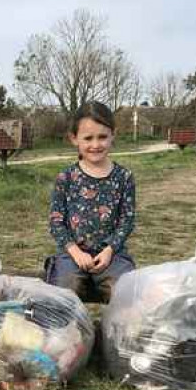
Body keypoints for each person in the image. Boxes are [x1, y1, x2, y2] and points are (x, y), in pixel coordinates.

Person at [44, 101, 136, 302]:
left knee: (126, 292)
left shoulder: (124, 177)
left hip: (112, 255)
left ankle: (118, 331)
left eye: (102, 137)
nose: (96, 145)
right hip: (72, 255)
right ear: (74, 138)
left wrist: (109, 250)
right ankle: (68, 331)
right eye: (88, 138)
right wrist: (75, 253)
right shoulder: (66, 178)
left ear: (113, 134)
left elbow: (127, 220)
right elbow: (56, 222)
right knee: (64, 292)